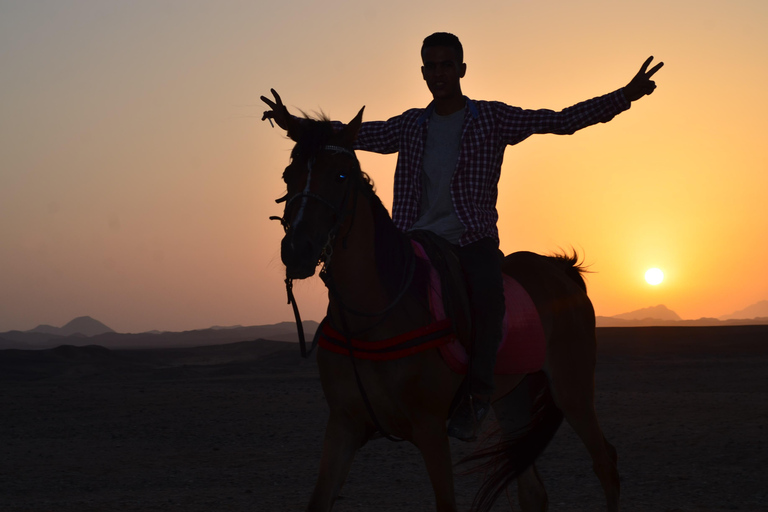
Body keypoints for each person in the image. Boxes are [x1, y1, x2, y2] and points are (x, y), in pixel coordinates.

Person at [262, 32, 663, 441]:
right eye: (431, 66)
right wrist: (290, 123)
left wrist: (624, 95)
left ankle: (477, 397)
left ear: (462, 70)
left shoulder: (492, 118)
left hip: (472, 240)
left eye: (446, 65)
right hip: (415, 241)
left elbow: (559, 120)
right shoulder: (409, 126)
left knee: (488, 299)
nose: (439, 73)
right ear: (422, 72)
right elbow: (344, 135)